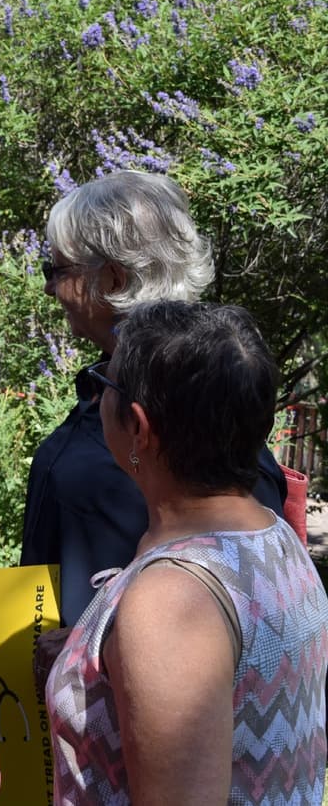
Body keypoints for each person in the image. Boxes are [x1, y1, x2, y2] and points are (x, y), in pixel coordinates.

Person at [46, 301, 328, 804]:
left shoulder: (171, 603)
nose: (96, 398)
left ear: (139, 428)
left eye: (103, 385)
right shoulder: (273, 537)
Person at [19, 171, 287, 628]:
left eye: (57, 270)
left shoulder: (194, 391)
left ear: (113, 278)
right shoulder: (127, 376)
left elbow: (235, 598)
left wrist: (102, 653)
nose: (50, 289)